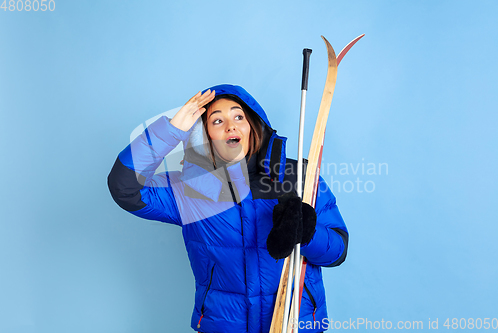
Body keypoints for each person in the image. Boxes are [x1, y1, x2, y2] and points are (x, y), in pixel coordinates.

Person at [107, 84, 348, 333]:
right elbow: (124, 188)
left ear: (253, 126)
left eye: (238, 116)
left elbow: (337, 252)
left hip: (295, 325)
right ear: (204, 134)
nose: (230, 125)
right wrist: (171, 131)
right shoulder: (188, 189)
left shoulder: (298, 177)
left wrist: (307, 233)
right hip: (223, 326)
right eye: (217, 120)